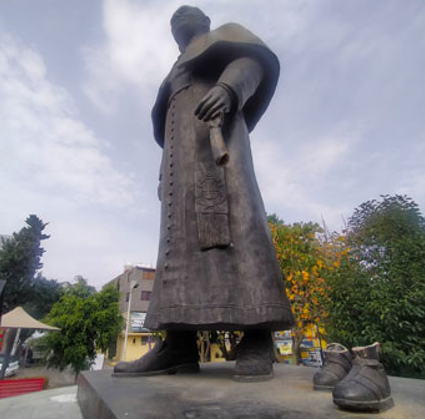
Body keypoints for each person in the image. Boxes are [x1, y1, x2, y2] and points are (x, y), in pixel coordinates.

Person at [114, 5, 293, 382]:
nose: (181, 16)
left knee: (240, 231)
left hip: (219, 156)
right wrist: (165, 172)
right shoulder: (172, 74)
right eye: (174, 16)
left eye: (189, 12)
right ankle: (178, 345)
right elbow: (167, 131)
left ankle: (258, 337)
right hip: (182, 176)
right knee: (177, 250)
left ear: (207, 22)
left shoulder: (223, 37)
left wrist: (228, 89)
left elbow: (252, 63)